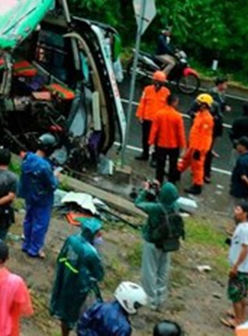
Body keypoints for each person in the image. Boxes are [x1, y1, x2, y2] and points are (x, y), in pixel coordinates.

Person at [50, 218, 105, 336]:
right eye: (98, 232)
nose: (101, 235)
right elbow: (99, 275)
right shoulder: (90, 253)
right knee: (84, 317)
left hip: (66, 281)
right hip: (81, 289)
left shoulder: (71, 240)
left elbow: (61, 258)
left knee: (64, 314)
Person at [136, 181, 184, 311]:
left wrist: (145, 191)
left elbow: (138, 203)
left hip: (152, 242)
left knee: (149, 271)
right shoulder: (175, 206)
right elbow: (164, 201)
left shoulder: (156, 209)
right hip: (167, 242)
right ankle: (160, 298)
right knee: (163, 270)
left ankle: (149, 299)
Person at [19, 133, 61, 259]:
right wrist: (56, 176)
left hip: (29, 195)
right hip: (43, 199)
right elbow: (52, 185)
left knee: (29, 219)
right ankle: (34, 249)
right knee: (40, 224)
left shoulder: (27, 158)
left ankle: (26, 244)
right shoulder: (44, 166)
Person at [222, 200, 248, 329]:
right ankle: (241, 316)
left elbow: (245, 248)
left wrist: (235, 266)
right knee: (243, 293)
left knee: (235, 295)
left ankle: (238, 320)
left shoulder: (243, 229)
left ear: (245, 213)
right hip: (247, 266)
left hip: (241, 267)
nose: (235, 212)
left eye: (238, 210)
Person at [76, 281, 148, 336]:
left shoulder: (100, 306)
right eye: (137, 305)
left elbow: (82, 323)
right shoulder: (124, 327)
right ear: (129, 302)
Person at [177, 93, 214, 195]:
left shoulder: (207, 119)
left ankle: (197, 185)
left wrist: (198, 150)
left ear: (204, 105)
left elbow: (204, 137)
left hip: (199, 147)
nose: (197, 104)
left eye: (199, 103)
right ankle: (177, 171)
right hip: (194, 144)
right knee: (186, 159)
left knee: (197, 167)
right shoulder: (200, 114)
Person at [149, 94, 186, 183]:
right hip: (174, 145)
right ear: (174, 103)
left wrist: (151, 142)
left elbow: (154, 130)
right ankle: (171, 183)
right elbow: (180, 133)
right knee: (173, 165)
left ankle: (158, 182)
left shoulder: (159, 114)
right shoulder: (177, 116)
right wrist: (183, 146)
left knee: (160, 165)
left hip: (161, 144)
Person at [136, 72, 170, 162]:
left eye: (161, 82)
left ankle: (155, 158)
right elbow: (142, 102)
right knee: (145, 138)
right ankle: (145, 154)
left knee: (157, 140)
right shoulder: (147, 90)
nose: (158, 84)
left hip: (159, 121)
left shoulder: (166, 92)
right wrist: (140, 115)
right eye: (157, 81)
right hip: (147, 118)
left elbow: (168, 107)